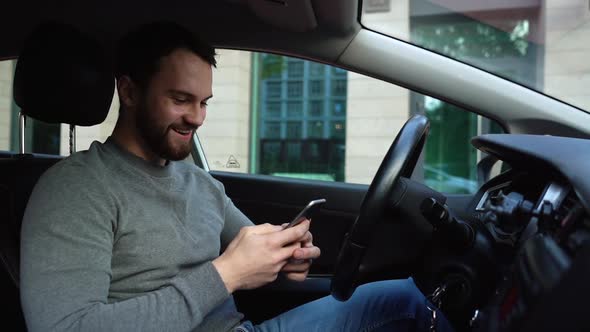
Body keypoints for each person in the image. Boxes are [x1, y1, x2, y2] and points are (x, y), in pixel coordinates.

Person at [20, 22, 453, 332]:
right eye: (180, 99)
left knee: (407, 298)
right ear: (129, 92)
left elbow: (254, 255)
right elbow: (66, 325)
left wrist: (288, 258)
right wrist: (225, 274)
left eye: (204, 102)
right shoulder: (75, 188)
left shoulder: (200, 183)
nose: (196, 117)